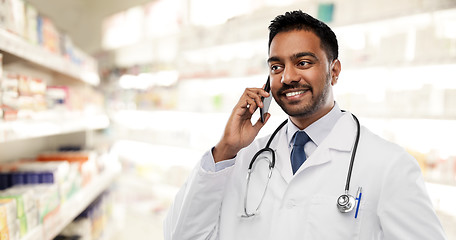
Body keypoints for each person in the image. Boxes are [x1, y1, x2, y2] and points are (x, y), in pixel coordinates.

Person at [164, 10, 446, 239]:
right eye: (276, 67)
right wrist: (225, 150)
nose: (287, 77)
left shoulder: (389, 165)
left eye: (303, 62)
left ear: (333, 71)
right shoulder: (241, 160)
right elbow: (182, 236)